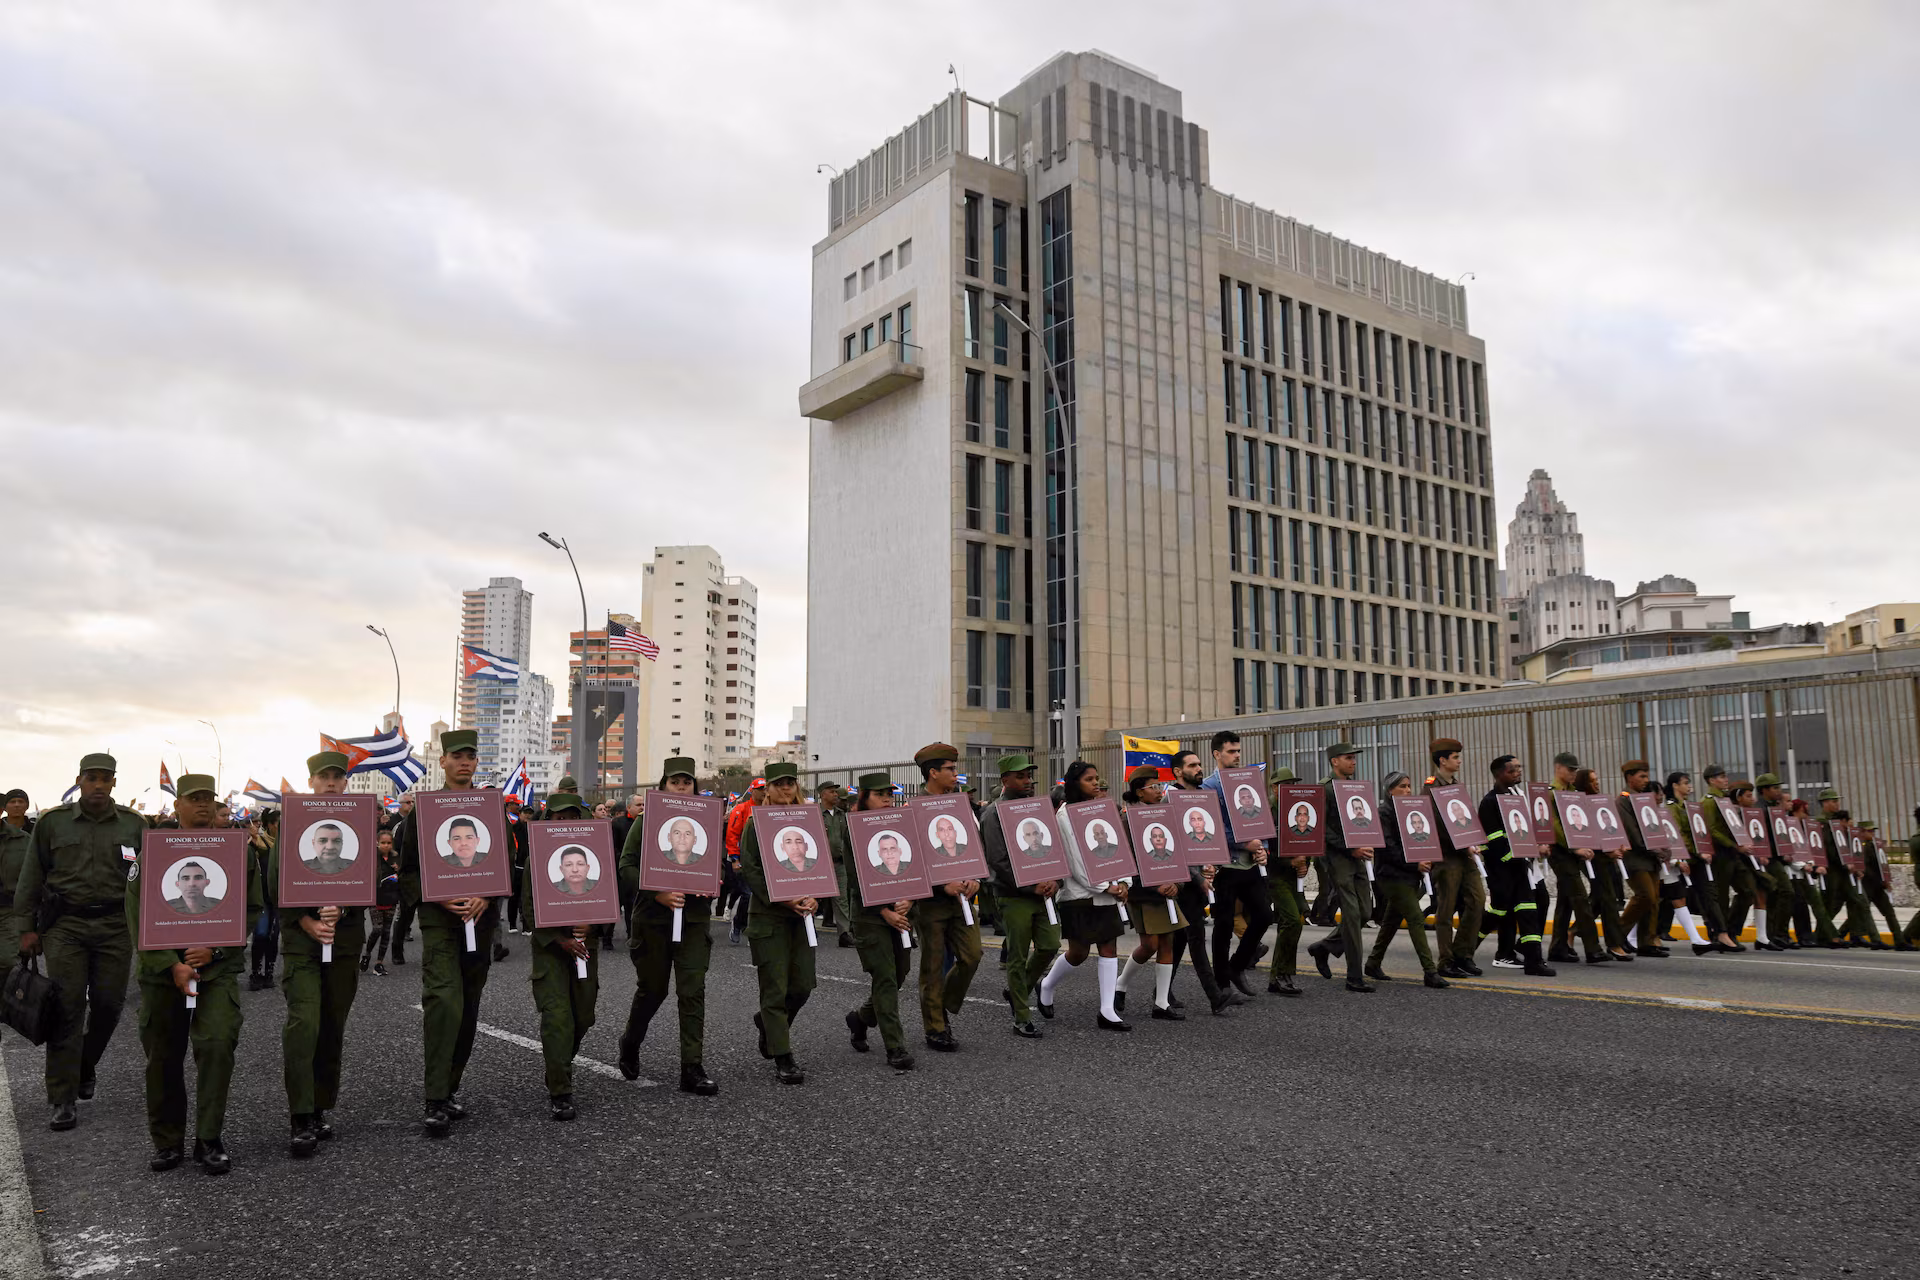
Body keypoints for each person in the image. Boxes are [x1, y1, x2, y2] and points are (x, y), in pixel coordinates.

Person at [128, 774, 261, 1174]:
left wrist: (216, 951)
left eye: (208, 798)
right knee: (163, 1057)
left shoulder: (237, 852)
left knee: (217, 1045)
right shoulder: (153, 851)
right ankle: (168, 1142)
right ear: (178, 805)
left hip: (216, 972)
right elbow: (136, 914)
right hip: (163, 973)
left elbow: (250, 908)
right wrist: (172, 964)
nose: (202, 804)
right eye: (193, 798)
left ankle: (209, 1137)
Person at [11, 752, 149, 1131]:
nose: (98, 785)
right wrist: (27, 928)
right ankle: (62, 1096)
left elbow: (152, 877)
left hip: (116, 926)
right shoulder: (53, 823)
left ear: (114, 782)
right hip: (65, 926)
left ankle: (85, 1063)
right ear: (79, 780)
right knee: (67, 1008)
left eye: (106, 778)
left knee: (109, 1005)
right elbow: (31, 875)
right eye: (92, 778)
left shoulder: (134, 824)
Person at [392, 730, 503, 1137]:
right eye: (456, 756)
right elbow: (407, 872)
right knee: (444, 1003)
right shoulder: (424, 811)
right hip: (440, 922)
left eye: (470, 756)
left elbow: (505, 862)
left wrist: (487, 896)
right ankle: (435, 1098)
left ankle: (451, 1086)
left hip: (481, 921)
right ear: (443, 762)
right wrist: (437, 897)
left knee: (469, 1007)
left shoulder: (491, 809)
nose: (464, 762)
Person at [270, 750, 369, 1158]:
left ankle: (319, 1107)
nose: (330, 783)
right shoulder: (292, 823)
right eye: (323, 776)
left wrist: (342, 908)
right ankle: (300, 1115)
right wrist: (304, 921)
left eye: (337, 777)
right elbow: (275, 883)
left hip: (343, 942)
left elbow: (369, 879)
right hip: (303, 943)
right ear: (311, 781)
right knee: (304, 1023)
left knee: (331, 1025)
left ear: (345, 783)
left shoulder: (360, 822)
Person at [616, 758, 719, 1095]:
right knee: (653, 990)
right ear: (663, 787)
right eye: (675, 782)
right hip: (653, 920)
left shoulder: (707, 821)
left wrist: (714, 881)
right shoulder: (646, 821)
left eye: (687, 783)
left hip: (694, 919)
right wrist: (656, 892)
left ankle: (692, 1067)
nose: (681, 788)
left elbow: (715, 864)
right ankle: (631, 1041)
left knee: (692, 991)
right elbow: (627, 866)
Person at [830, 773, 917, 1071]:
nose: (887, 799)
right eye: (880, 795)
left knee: (901, 972)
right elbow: (856, 876)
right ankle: (895, 1046)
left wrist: (911, 899)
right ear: (864, 797)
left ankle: (861, 1018)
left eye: (889, 794)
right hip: (870, 917)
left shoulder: (902, 824)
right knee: (885, 978)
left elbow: (915, 866)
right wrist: (884, 911)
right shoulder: (853, 828)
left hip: (901, 912)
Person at [1035, 762, 1131, 1030]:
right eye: (1089, 779)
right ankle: (1046, 984)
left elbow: (1119, 849)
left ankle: (1107, 1010)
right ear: (1075, 783)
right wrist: (1103, 886)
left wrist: (1125, 882)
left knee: (1109, 948)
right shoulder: (1064, 816)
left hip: (1108, 892)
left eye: (1097, 778)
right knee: (1078, 952)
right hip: (1078, 894)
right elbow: (1074, 860)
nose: (1096, 783)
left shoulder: (1103, 810)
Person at [737, 762, 816, 1085]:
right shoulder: (755, 823)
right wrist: (782, 899)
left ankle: (768, 1025)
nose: (785, 788)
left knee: (802, 987)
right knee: (775, 989)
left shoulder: (808, 822)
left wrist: (816, 897)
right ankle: (783, 1055)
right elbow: (752, 870)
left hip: (801, 917)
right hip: (769, 916)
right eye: (779, 783)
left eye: (790, 783)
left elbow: (818, 866)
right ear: (767, 788)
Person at [521, 792, 599, 1121]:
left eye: (571, 817)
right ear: (548, 821)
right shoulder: (535, 860)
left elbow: (609, 900)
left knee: (583, 1016)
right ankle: (560, 1090)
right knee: (557, 1020)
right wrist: (558, 939)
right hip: (550, 950)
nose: (565, 823)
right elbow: (528, 909)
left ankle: (559, 1065)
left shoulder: (596, 855)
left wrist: (593, 925)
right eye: (558, 818)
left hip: (585, 947)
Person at [909, 743, 982, 1054]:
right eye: (950, 769)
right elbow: (912, 859)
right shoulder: (913, 809)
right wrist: (941, 885)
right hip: (931, 903)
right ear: (933, 773)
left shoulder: (961, 806)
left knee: (973, 955)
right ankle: (936, 1027)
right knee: (933, 965)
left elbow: (974, 846)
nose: (956, 773)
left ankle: (941, 1003)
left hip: (963, 898)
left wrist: (976, 878)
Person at [981, 755, 1060, 1039]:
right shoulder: (993, 813)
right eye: (1021, 776)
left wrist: (1056, 879)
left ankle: (1018, 992)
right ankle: (1022, 1018)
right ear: (1005, 780)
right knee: (1017, 954)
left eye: (1029, 776)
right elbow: (998, 861)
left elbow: (1054, 848)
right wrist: (1030, 887)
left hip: (1044, 893)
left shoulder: (1038, 809)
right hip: (1014, 895)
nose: (1028, 781)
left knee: (1050, 945)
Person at [1200, 730, 1274, 998]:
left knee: (1264, 915)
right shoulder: (1209, 787)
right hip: (1225, 866)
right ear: (1216, 754)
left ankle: (1237, 966)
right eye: (1231, 751)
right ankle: (1222, 984)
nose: (1237, 756)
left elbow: (1259, 819)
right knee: (1224, 925)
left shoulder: (1248, 781)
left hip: (1250, 865)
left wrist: (1263, 849)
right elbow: (1214, 828)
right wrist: (1245, 844)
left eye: (1238, 751)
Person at [1115, 767, 1187, 1022]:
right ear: (1139, 792)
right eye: (1153, 787)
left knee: (1167, 942)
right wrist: (1154, 886)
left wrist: (1177, 883)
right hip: (1143, 892)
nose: (1159, 791)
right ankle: (1120, 984)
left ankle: (1161, 1003)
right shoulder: (1127, 821)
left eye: (1160, 786)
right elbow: (1128, 861)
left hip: (1167, 890)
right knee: (1150, 945)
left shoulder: (1167, 816)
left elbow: (1178, 852)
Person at [1364, 774, 1448, 988]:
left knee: (1391, 921)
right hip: (1391, 876)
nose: (1408, 790)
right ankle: (1430, 971)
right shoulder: (1383, 813)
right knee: (1415, 918)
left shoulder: (1412, 812)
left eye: (1409, 786)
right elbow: (1388, 848)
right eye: (1402, 786)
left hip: (1410, 875)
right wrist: (1415, 864)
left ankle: (1373, 962)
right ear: (1390, 790)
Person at [1306, 743, 1378, 993]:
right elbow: (1321, 828)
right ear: (1334, 761)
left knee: (1365, 912)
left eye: (1353, 758)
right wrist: (1350, 848)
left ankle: (1324, 947)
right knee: (1352, 915)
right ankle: (1354, 976)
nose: (1353, 762)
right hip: (1338, 859)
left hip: (1359, 857)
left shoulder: (1354, 789)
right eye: (1348, 758)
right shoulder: (1325, 789)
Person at [1476, 755, 1555, 976]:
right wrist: (1521, 853)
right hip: (1503, 870)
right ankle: (1463, 951)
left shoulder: (1518, 798)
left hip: (1522, 867)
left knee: (1530, 909)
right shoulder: (1490, 802)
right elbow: (1494, 841)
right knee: (1499, 912)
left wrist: (1538, 845)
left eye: (1519, 768)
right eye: (1512, 769)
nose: (1518, 772)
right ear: (1499, 774)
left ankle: (1533, 960)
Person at [1543, 754, 1620, 965]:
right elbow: (1553, 825)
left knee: (1565, 900)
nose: (1573, 773)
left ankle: (1558, 947)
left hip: (1576, 851)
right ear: (1558, 767)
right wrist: (1575, 847)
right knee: (1580, 898)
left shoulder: (1574, 793)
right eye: (1570, 769)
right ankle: (1593, 949)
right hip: (1560, 851)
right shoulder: (1550, 793)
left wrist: (1588, 844)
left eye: (1575, 770)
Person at [1422, 738, 1487, 979]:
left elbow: (1466, 819)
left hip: (1466, 855)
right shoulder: (1430, 788)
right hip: (1447, 856)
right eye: (1455, 757)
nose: (1459, 761)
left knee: (1477, 901)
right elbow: (1436, 825)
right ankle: (1445, 961)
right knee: (1446, 910)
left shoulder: (1457, 786)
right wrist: (1463, 845)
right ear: (1442, 760)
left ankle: (1463, 954)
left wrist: (1474, 841)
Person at [1659, 771, 1738, 955]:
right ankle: (1649, 934)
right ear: (1675, 786)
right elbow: (1677, 834)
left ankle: (1720, 933)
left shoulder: (1690, 806)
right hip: (1684, 858)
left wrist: (1704, 849)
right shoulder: (1671, 807)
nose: (1689, 786)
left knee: (1708, 894)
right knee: (1665, 897)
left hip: (1697, 857)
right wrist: (1686, 856)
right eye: (1685, 783)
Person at [1614, 761, 1668, 957]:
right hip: (1635, 857)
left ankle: (1647, 941)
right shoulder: (1623, 800)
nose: (1646, 780)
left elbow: (1654, 826)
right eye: (1642, 776)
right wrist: (1653, 849)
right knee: (1645, 895)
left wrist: (1663, 847)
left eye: (1647, 776)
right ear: (1630, 777)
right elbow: (1632, 832)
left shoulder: (1644, 800)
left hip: (1651, 857)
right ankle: (1617, 934)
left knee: (1653, 900)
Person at [1264, 768, 1310, 998]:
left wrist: (1305, 863)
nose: (1291, 788)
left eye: (1293, 784)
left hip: (1292, 876)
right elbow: (1265, 850)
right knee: (1292, 921)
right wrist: (1290, 862)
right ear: (1274, 788)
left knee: (1292, 922)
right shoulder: (1267, 811)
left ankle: (1279, 977)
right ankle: (1282, 974)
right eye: (1286, 784)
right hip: (1275, 875)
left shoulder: (1296, 808)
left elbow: (1308, 839)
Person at [360, 828, 400, 975]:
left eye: (389, 843)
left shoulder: (396, 857)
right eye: (383, 843)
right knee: (377, 929)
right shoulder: (371, 857)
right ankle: (367, 954)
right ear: (377, 843)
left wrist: (398, 870)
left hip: (391, 898)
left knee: (386, 932)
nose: (386, 846)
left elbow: (402, 876)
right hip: (376, 898)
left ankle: (379, 963)